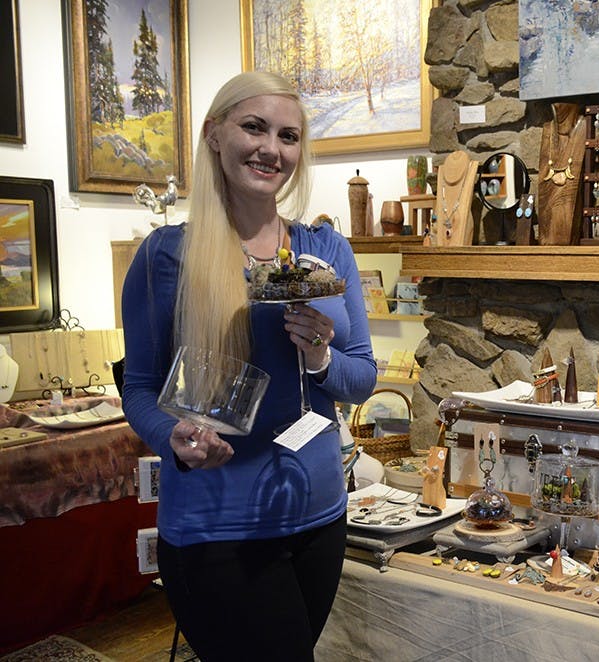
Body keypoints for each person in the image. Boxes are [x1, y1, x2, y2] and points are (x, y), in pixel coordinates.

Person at [121, 71, 377, 661]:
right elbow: (138, 388)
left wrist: (318, 357)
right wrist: (173, 437)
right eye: (254, 127)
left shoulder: (326, 249)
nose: (272, 149)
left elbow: (361, 376)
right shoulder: (167, 255)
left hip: (319, 517)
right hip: (219, 527)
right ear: (214, 134)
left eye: (288, 136)